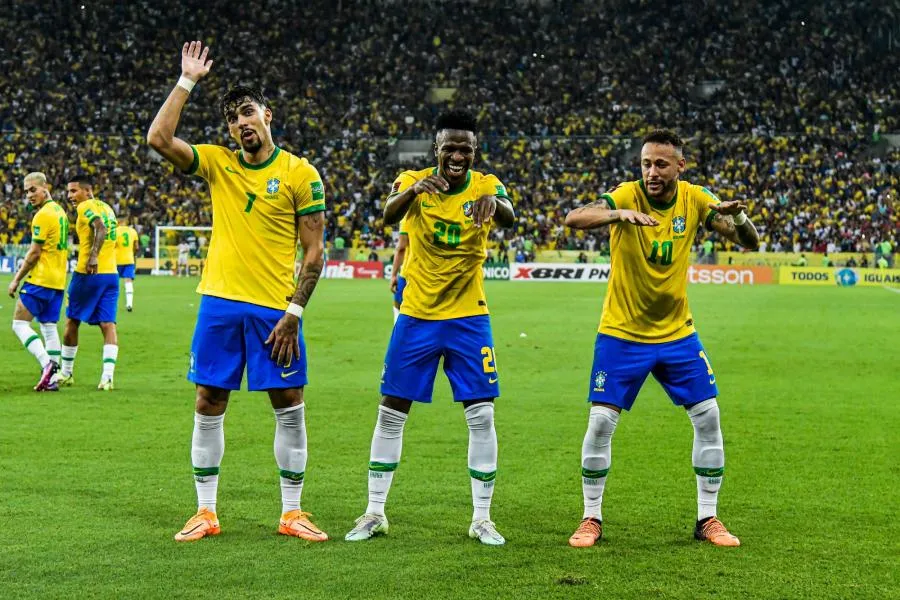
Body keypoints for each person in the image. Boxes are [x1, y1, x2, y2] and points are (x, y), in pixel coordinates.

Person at [147, 41, 328, 543]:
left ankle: (292, 513)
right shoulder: (217, 163)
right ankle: (205, 511)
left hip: (275, 310)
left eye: (247, 112)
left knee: (289, 402)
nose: (240, 122)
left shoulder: (300, 173)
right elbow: (159, 138)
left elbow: (315, 253)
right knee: (208, 400)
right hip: (219, 303)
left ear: (267, 115)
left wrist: (294, 312)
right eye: (231, 118)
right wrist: (187, 80)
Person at [563, 129, 760, 548]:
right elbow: (574, 218)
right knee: (601, 422)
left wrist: (739, 217)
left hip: (677, 334)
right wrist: (619, 215)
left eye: (660, 164)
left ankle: (708, 518)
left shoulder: (695, 198)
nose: (651, 172)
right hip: (621, 332)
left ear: (680, 166)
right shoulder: (626, 194)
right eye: (646, 164)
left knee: (708, 417)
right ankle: (591, 517)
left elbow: (750, 240)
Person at [345, 110, 516, 546]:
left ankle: (482, 518)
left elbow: (510, 215)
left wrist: (495, 205)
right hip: (417, 314)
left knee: (481, 414)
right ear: (435, 149)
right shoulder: (412, 180)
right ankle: (374, 512)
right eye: (449, 148)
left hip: (468, 316)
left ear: (475, 152)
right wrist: (414, 191)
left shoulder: (486, 184)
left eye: (465, 149)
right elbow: (388, 215)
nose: (457, 155)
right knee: (391, 410)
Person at [7, 172, 68, 391]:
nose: (29, 195)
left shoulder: (42, 215)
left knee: (19, 324)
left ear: (45, 187)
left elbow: (34, 253)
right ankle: (53, 378)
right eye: (26, 192)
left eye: (33, 190)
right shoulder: (60, 211)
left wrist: (16, 280)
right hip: (58, 280)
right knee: (49, 327)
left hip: (41, 279)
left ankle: (46, 365)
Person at [59, 173, 120, 391]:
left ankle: (66, 373)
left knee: (71, 321)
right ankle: (107, 378)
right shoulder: (108, 207)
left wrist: (93, 256)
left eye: (74, 191)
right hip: (111, 275)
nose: (70, 196)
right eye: (68, 191)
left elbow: (100, 228)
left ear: (88, 191)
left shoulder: (86, 207)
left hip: (88, 274)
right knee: (108, 324)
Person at [116, 219, 139, 311]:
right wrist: (133, 255)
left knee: (114, 282)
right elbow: (137, 247)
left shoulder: (115, 231)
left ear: (118, 222)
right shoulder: (133, 231)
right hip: (129, 260)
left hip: (116, 260)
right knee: (128, 281)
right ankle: (129, 304)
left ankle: (112, 304)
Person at [389, 220, 409, 323]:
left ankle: (398, 329)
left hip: (409, 273)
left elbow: (401, 248)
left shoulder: (408, 218)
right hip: (434, 273)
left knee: (398, 306)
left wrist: (393, 275)